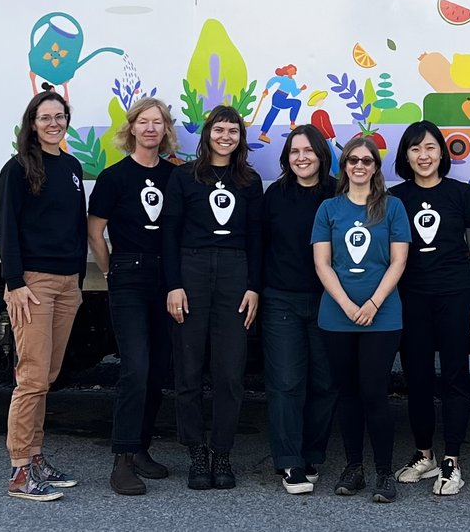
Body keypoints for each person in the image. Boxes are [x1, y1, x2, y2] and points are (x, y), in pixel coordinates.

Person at [162, 105, 263, 491]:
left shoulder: (250, 181)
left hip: (236, 273)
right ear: (207, 135)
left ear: (240, 138)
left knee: (229, 371)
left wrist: (254, 285)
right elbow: (169, 234)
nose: (226, 137)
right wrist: (173, 284)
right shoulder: (184, 177)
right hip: (191, 270)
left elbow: (257, 237)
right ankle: (196, 453)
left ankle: (222, 453)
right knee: (188, 371)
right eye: (219, 130)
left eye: (233, 131)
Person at [88, 97, 179, 496]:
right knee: (135, 367)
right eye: (143, 122)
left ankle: (141, 448)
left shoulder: (176, 177)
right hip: (128, 274)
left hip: (167, 276)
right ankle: (122, 460)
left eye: (157, 122)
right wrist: (110, 270)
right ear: (132, 128)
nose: (150, 129)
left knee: (159, 368)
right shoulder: (114, 177)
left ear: (165, 131)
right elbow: (95, 231)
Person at [0, 91, 86, 501]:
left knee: (47, 377)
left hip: (68, 283)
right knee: (31, 377)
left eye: (60, 116)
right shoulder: (17, 169)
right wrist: (15, 283)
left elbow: (75, 227)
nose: (54, 123)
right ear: (32, 123)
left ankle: (35, 457)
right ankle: (19, 472)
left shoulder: (71, 166)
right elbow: (7, 230)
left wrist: (80, 280)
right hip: (33, 284)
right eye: (45, 117)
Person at [390, 121, 470, 496]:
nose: (424, 156)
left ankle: (452, 460)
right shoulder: (396, 198)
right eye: (415, 149)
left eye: (430, 148)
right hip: (411, 297)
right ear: (406, 156)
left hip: (455, 295)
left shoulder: (461, 194)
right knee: (416, 377)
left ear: (442, 153)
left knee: (455, 377)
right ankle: (424, 454)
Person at [313, 136, 410, 503]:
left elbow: (398, 261)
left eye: (366, 161)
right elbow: (322, 263)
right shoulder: (328, 209)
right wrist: (346, 304)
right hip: (336, 317)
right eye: (352, 160)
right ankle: (354, 468)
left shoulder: (392, 207)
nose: (359, 166)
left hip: (382, 317)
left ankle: (384, 473)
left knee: (374, 393)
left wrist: (372, 302)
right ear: (344, 166)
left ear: (375, 167)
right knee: (348, 393)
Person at [261, 125, 339, 495]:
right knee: (287, 383)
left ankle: (311, 455)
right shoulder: (275, 195)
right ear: (286, 158)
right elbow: (260, 247)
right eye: (294, 152)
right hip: (282, 300)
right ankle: (289, 462)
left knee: (325, 382)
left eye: (309, 150)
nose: (302, 157)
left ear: (321, 155)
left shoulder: (338, 192)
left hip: (330, 301)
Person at [258, 64, 306, 144]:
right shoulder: (283, 78)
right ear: (287, 70)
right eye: (291, 69)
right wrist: (266, 89)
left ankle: (263, 134)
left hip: (283, 98)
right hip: (278, 97)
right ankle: (292, 123)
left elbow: (294, 93)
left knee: (272, 114)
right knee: (296, 103)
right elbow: (273, 80)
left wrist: (301, 89)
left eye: (293, 70)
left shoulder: (293, 82)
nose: (292, 71)